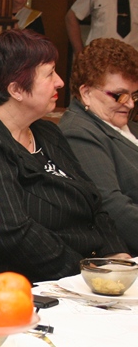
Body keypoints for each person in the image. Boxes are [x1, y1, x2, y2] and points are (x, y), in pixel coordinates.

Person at [0, 28, 130, 282]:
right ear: (16, 89)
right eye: (49, 74)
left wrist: (117, 256)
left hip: (89, 275)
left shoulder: (46, 132)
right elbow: (12, 233)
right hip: (24, 285)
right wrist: (88, 272)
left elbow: (95, 205)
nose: (60, 82)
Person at [59, 38, 138, 254]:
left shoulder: (127, 126)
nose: (130, 104)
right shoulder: (79, 132)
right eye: (120, 95)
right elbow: (112, 206)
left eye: (134, 95)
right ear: (86, 93)